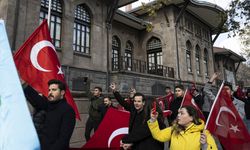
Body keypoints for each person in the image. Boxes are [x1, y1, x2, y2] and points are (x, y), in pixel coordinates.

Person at [21, 79, 76, 150]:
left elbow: (63, 140)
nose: (50, 92)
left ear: (62, 92)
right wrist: (24, 84)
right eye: (49, 90)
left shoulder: (68, 111)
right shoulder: (48, 105)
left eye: (54, 90)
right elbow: (36, 98)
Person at [110, 83, 165, 150]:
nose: (136, 103)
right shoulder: (134, 109)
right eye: (135, 101)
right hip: (137, 142)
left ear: (144, 103)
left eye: (139, 101)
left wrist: (126, 140)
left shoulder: (152, 117)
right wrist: (115, 91)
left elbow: (142, 132)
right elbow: (123, 103)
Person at [148, 105, 218, 150]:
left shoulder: (203, 134)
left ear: (191, 117)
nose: (178, 115)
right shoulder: (174, 129)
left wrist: (205, 146)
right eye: (178, 113)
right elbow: (158, 135)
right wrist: (153, 121)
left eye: (182, 113)